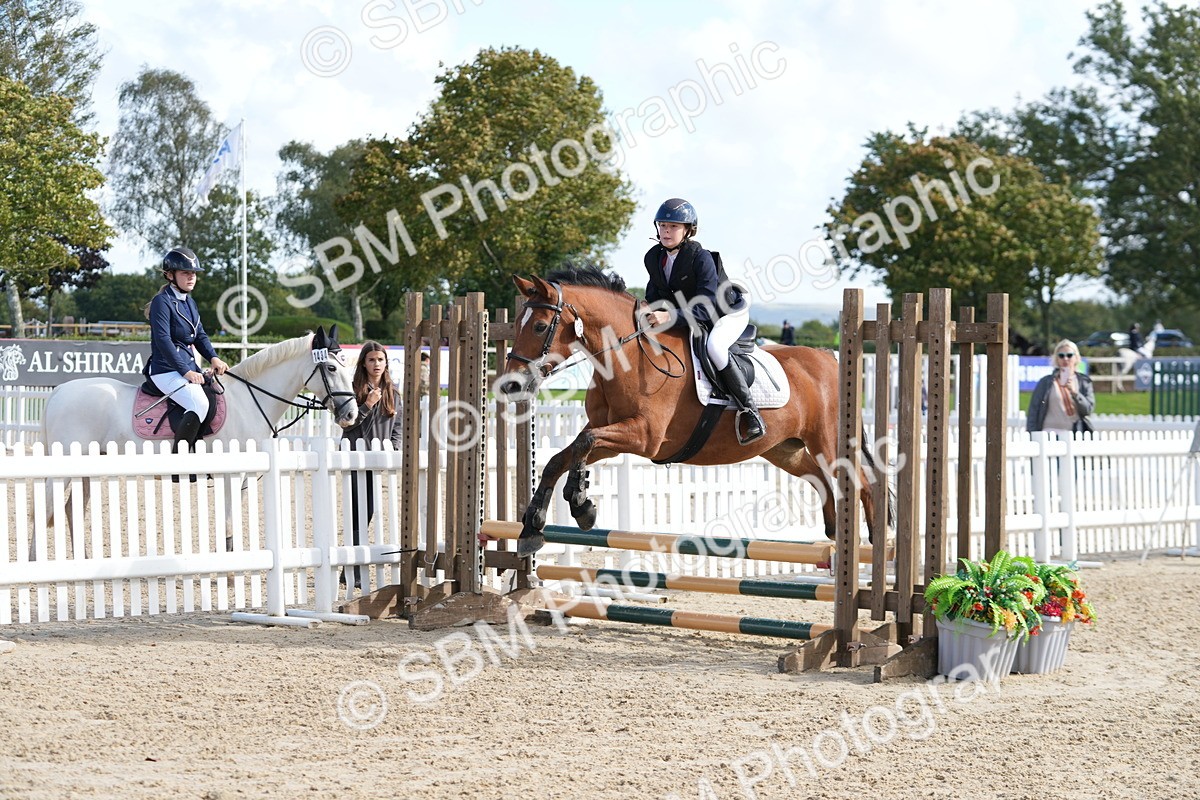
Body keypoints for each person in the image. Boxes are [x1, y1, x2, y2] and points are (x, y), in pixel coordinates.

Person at [641, 197, 764, 443]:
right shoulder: (653, 257)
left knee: (714, 348)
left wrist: (670, 315)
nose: (666, 231)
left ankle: (750, 412)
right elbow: (655, 295)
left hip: (726, 312)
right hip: (691, 314)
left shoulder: (701, 258)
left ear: (687, 230)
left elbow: (706, 306)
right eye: (663, 225)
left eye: (673, 226)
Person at [145, 247, 228, 460]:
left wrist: (213, 357)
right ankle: (177, 462)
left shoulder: (190, 302)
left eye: (193, 273)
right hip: (166, 370)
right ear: (170, 275)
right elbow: (163, 341)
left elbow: (199, 335)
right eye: (185, 273)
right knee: (198, 403)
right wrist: (185, 372)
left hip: (187, 369)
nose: (191, 277)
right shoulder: (161, 303)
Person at [341, 341, 403, 590]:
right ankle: (351, 569)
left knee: (370, 512)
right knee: (359, 513)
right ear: (364, 363)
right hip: (355, 457)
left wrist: (395, 448)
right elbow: (346, 424)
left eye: (380, 360)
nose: (376, 364)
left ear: (386, 363)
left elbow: (398, 427)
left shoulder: (393, 393)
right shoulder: (352, 390)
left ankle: (352, 568)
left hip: (379, 460)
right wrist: (366, 404)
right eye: (371, 360)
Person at [1026, 340, 1095, 436]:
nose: (1065, 359)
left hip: (1074, 435)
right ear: (1056, 359)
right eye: (1061, 355)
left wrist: (1075, 393)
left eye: (1069, 355)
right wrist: (1032, 434)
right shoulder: (1045, 382)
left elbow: (1088, 410)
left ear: (1076, 358)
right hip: (1048, 435)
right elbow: (1033, 411)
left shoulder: (1084, 382)